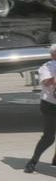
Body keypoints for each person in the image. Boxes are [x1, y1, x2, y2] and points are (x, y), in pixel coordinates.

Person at [25, 43, 56, 173]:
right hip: (50, 106)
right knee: (49, 137)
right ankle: (33, 161)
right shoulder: (46, 67)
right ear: (53, 55)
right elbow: (47, 82)